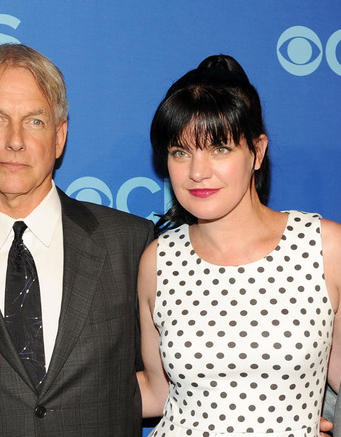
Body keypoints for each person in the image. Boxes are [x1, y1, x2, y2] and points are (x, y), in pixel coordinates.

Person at [137, 54, 341, 436]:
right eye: (181, 152)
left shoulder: (325, 247)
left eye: (220, 149)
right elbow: (157, 391)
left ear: (257, 152)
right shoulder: (159, 260)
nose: (198, 172)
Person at [0, 43, 154, 436]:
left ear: (60, 136)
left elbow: (188, 377)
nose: (15, 140)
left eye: (34, 121)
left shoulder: (131, 244)